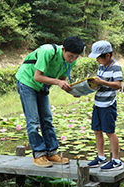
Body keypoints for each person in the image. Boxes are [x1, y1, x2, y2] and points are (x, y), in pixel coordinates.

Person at [15, 36, 84, 168]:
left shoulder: (71, 61)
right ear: (63, 49)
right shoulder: (47, 51)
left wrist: (73, 91)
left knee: (47, 119)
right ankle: (39, 155)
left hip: (42, 86)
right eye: (70, 56)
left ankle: (52, 153)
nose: (72, 60)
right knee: (33, 120)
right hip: (27, 82)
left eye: (76, 57)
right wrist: (58, 82)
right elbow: (38, 76)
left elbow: (62, 80)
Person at [87, 40, 123, 171]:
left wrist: (103, 82)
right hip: (98, 103)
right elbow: (99, 84)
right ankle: (101, 157)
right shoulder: (101, 66)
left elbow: (117, 84)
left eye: (98, 57)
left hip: (108, 104)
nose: (97, 60)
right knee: (97, 130)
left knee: (109, 132)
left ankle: (116, 160)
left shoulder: (115, 66)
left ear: (107, 55)